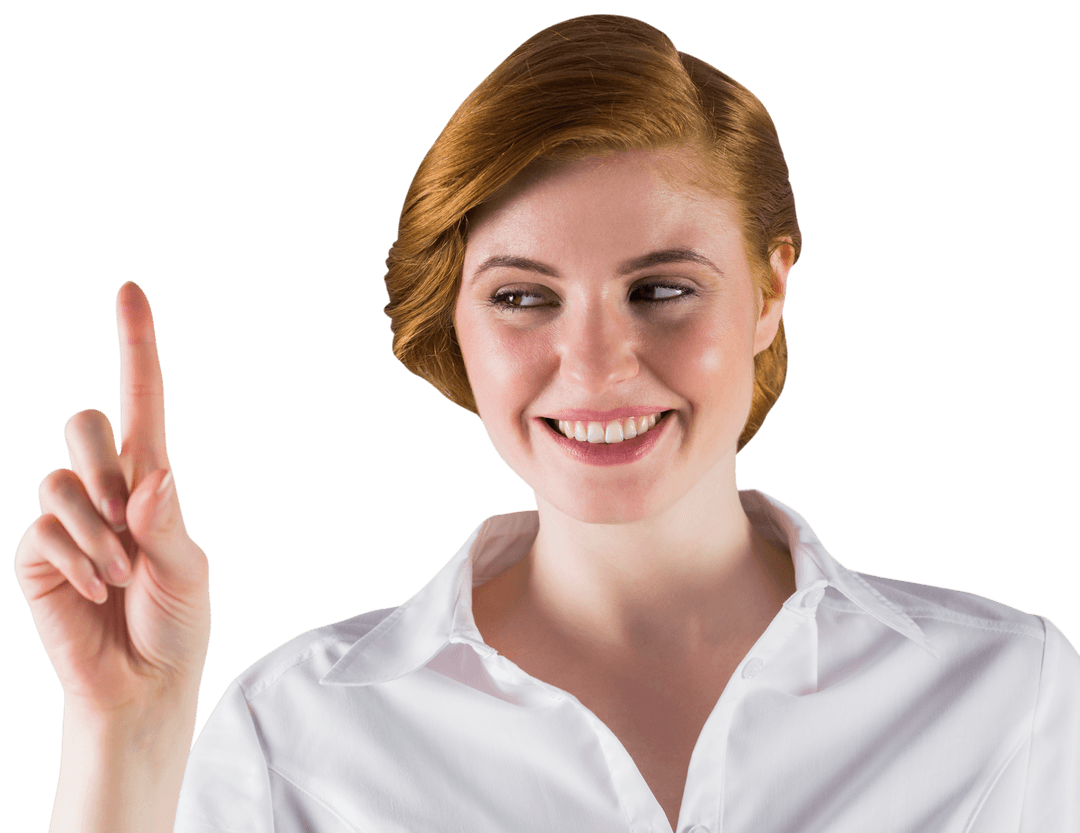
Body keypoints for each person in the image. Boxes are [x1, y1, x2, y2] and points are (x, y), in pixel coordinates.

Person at [15, 14, 1078, 833]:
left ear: (769, 293)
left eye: (662, 289)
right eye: (523, 297)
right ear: (459, 324)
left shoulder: (1007, 693)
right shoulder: (296, 728)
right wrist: (130, 728)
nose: (598, 363)